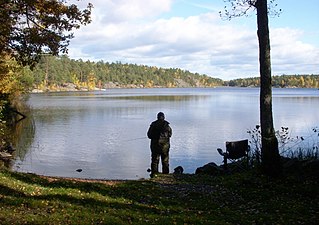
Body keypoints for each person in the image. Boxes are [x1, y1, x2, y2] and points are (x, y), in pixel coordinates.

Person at [147, 112, 172, 177]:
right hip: (165, 146)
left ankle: (154, 174)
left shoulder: (153, 124)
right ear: (164, 117)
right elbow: (170, 134)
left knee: (155, 160)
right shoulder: (167, 125)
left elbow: (149, 135)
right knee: (165, 160)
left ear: (157, 117)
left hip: (155, 145)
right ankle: (166, 174)